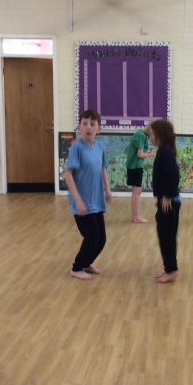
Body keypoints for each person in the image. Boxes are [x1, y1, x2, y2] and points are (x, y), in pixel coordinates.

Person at [64, 109, 112, 281]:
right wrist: (78, 201)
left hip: (96, 200)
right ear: (79, 127)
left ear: (99, 128)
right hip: (82, 202)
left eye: (92, 124)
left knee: (101, 239)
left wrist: (107, 189)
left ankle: (86, 263)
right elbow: (67, 174)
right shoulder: (76, 147)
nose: (88, 127)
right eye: (85, 123)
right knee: (92, 236)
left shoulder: (99, 147)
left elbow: (102, 168)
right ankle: (77, 268)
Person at [149, 119, 181, 284]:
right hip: (167, 200)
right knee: (165, 235)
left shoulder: (165, 152)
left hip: (169, 201)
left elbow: (175, 176)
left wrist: (167, 196)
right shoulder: (164, 151)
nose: (150, 137)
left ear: (160, 135)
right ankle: (170, 268)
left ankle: (171, 270)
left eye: (152, 134)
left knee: (166, 237)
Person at [126, 124, 154, 223]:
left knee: (137, 190)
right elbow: (140, 154)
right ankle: (136, 217)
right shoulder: (141, 135)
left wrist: (148, 153)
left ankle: (136, 216)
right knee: (137, 190)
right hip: (135, 166)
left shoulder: (141, 134)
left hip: (135, 165)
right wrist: (150, 154)